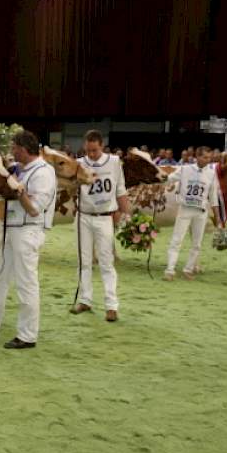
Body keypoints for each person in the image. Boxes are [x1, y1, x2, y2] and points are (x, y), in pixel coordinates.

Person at [0, 130, 57, 348]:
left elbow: (35, 209)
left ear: (24, 149)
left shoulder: (43, 172)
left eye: (15, 147)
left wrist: (19, 191)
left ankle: (27, 335)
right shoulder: (20, 168)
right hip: (13, 229)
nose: (12, 151)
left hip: (28, 231)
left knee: (26, 283)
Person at [70, 130, 129, 322]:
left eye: (94, 150)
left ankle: (111, 306)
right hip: (83, 217)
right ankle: (85, 300)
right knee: (84, 261)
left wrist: (125, 213)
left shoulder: (114, 162)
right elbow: (71, 188)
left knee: (106, 262)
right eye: (88, 151)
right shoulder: (79, 163)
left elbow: (120, 189)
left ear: (101, 146)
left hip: (105, 217)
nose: (91, 155)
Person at [163, 147, 223, 281]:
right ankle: (170, 270)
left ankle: (188, 269)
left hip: (201, 211)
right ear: (197, 157)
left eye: (209, 157)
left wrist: (217, 217)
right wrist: (158, 179)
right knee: (177, 240)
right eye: (205, 157)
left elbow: (213, 197)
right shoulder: (185, 169)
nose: (208, 160)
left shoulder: (212, 174)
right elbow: (169, 179)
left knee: (197, 243)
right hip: (185, 209)